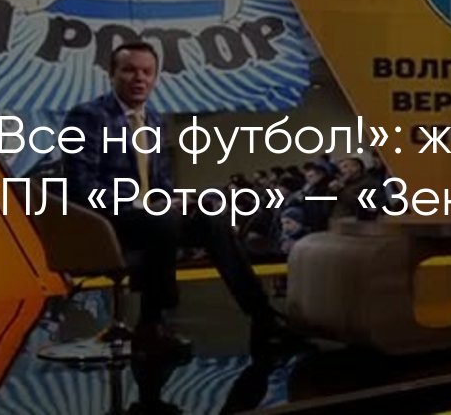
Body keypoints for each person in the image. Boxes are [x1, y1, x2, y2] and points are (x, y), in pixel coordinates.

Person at [62, 41, 290, 356]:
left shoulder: (154, 120)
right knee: (163, 218)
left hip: (152, 218)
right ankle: (151, 323)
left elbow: (161, 184)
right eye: (129, 70)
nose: (139, 78)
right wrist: (145, 205)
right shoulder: (86, 116)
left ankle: (262, 317)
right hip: (105, 219)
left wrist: (180, 201)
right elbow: (80, 187)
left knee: (211, 218)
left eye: (147, 72)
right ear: (111, 74)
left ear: (155, 78)